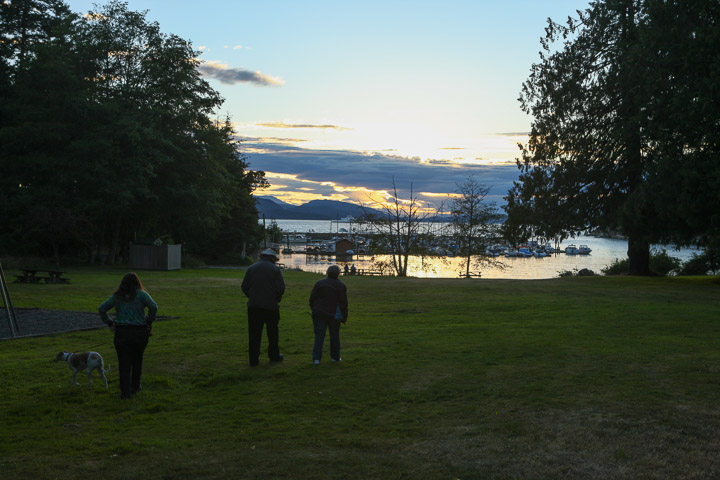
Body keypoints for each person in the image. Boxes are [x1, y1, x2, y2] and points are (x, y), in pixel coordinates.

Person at [98, 272, 157, 399]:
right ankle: (135, 386)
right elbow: (153, 306)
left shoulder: (117, 296)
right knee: (137, 360)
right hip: (140, 332)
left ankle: (125, 392)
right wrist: (149, 320)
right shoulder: (142, 295)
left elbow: (102, 308)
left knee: (124, 363)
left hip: (122, 333)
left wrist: (109, 322)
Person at [241, 248, 286, 366]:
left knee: (254, 334)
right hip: (271, 307)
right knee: (273, 333)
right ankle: (274, 356)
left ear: (262, 257)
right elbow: (281, 288)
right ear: (273, 259)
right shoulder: (275, 270)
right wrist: (276, 298)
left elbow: (244, 286)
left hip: (254, 306)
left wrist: (252, 296)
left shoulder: (251, 268)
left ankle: (253, 359)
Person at [309, 265, 348, 364]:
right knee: (334, 336)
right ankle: (335, 357)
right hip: (333, 314)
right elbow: (343, 303)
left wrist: (314, 309)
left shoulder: (319, 283)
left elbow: (312, 298)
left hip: (319, 312)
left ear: (327, 272)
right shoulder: (341, 286)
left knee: (319, 336)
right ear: (338, 274)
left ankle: (316, 359)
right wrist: (344, 316)